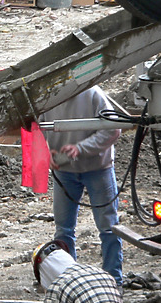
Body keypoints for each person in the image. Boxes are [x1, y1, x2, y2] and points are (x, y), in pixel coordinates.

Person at [39, 85, 123, 286]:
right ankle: (70, 282)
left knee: (109, 227)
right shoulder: (47, 97)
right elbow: (37, 128)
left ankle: (114, 282)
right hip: (64, 170)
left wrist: (80, 149)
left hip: (98, 168)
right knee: (63, 229)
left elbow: (113, 129)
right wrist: (45, 152)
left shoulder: (92, 94)